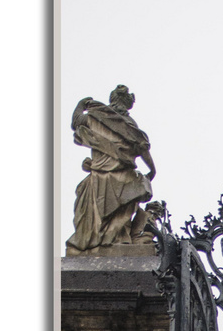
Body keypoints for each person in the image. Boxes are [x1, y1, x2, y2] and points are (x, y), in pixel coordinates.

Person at [66, 84, 156, 253]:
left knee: (93, 214)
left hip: (98, 176)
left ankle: (99, 243)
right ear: (126, 103)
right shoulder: (127, 123)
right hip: (122, 177)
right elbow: (142, 147)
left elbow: (76, 121)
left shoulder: (96, 117)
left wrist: (81, 105)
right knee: (120, 216)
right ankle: (117, 242)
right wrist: (152, 169)